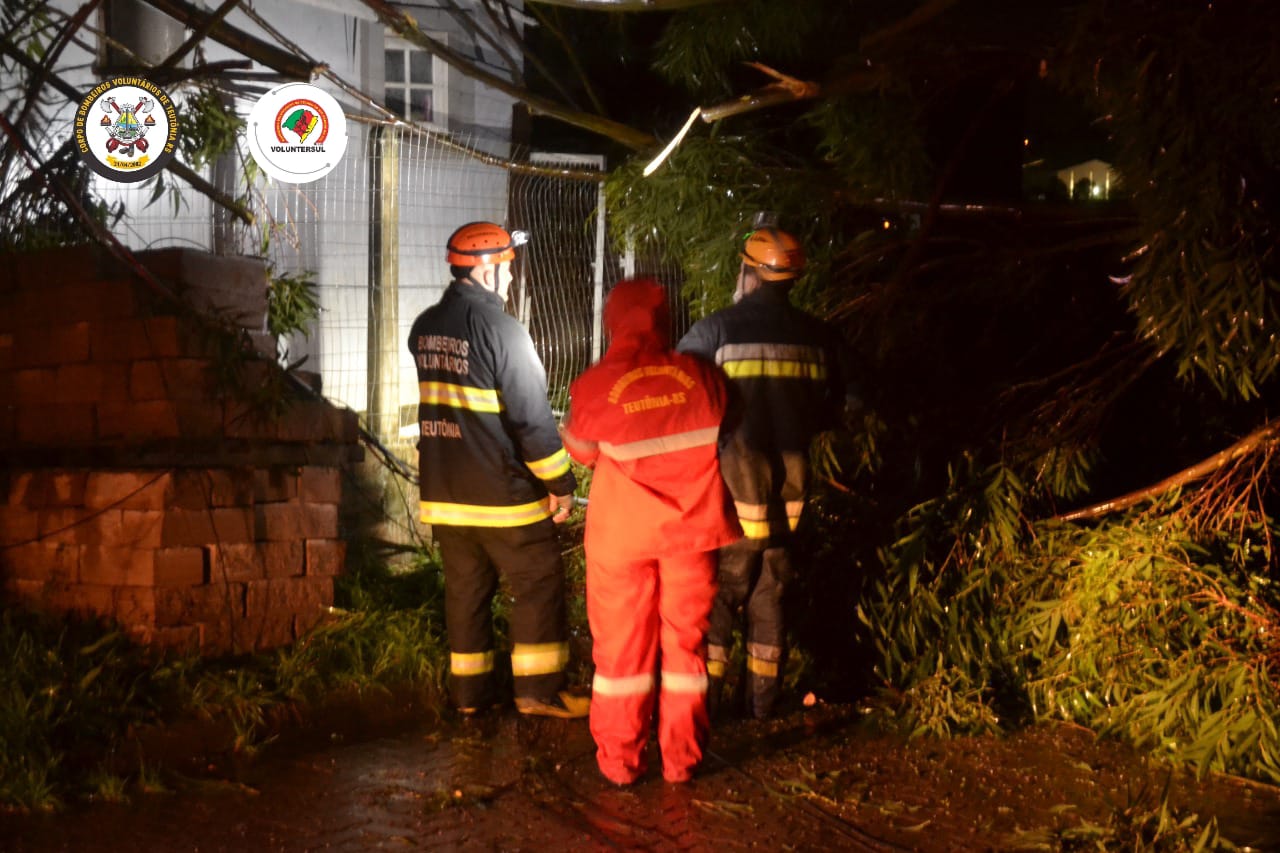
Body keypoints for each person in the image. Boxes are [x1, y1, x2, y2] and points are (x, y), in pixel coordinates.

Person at [561, 278, 741, 785]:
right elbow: (728, 424)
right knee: (686, 649)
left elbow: (581, 450)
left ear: (613, 323)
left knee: (621, 653)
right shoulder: (703, 376)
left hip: (621, 536)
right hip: (692, 534)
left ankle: (620, 764)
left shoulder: (595, 385)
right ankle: (682, 762)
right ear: (666, 321)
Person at [408, 221, 588, 719]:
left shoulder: (424, 328)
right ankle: (539, 693)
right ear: (486, 272)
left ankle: (470, 697)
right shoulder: (504, 331)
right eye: (506, 269)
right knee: (537, 583)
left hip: (445, 498)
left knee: (466, 594)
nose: (510, 279)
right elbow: (531, 420)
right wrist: (560, 484)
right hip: (503, 500)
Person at [676, 226, 850, 720]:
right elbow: (849, 399)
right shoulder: (819, 337)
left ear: (749, 272)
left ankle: (706, 705)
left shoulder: (716, 331)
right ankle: (762, 705)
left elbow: (680, 393)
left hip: (732, 498)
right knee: (771, 593)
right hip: (789, 500)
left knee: (720, 597)